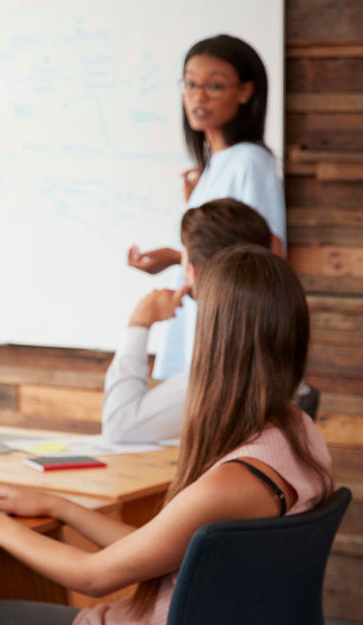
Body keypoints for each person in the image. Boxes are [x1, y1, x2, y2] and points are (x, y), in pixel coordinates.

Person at [0, 245, 332, 625]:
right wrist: (60, 507)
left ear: (218, 342)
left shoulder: (231, 484)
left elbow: (94, 577)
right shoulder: (299, 435)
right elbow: (157, 548)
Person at [126, 34, 285, 383]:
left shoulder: (250, 162)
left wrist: (175, 254)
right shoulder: (216, 164)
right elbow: (219, 240)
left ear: (245, 92)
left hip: (222, 332)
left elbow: (267, 255)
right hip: (202, 323)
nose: (198, 96)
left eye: (214, 85)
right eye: (191, 83)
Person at [103, 198, 274, 443]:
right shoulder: (274, 344)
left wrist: (139, 322)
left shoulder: (225, 371)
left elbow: (120, 426)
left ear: (191, 271)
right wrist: (182, 256)